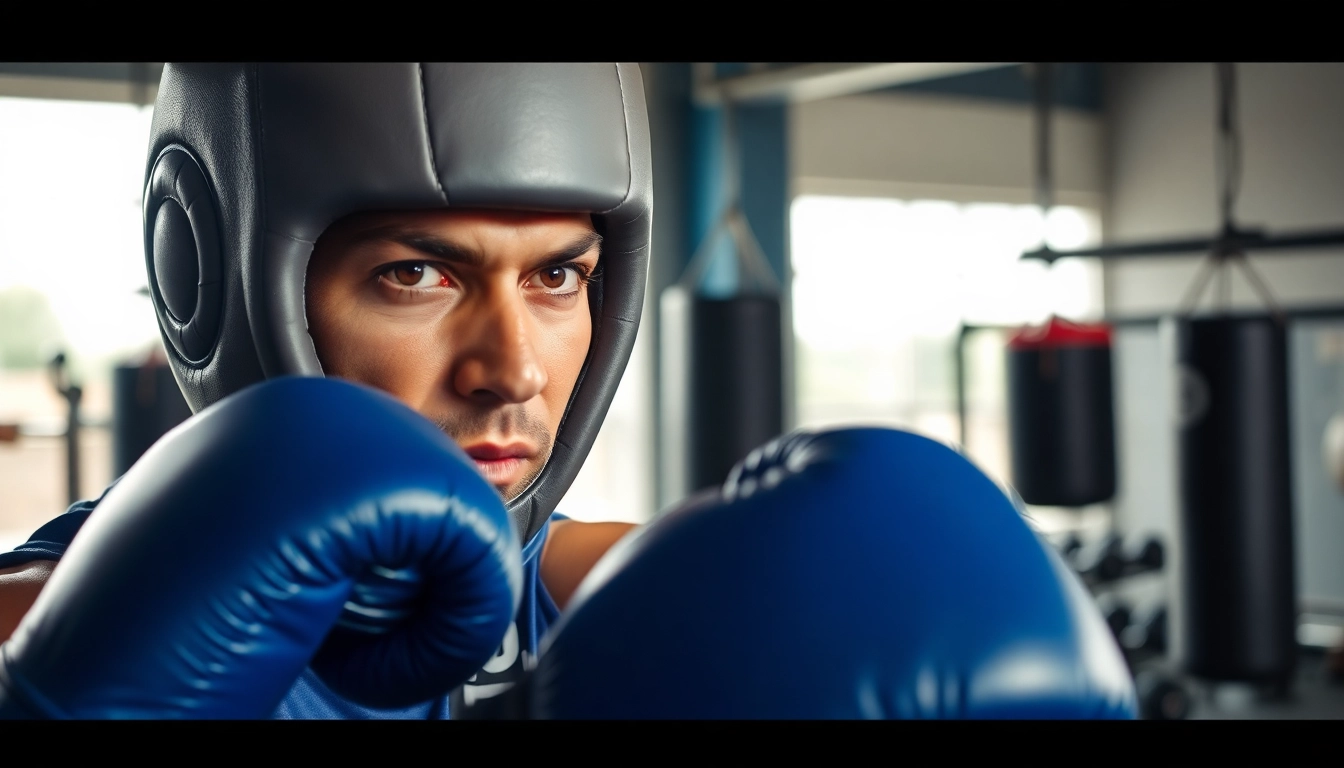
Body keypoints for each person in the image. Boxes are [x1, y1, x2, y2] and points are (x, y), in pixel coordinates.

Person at [0, 62, 652, 718]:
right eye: (416, 273)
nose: (517, 373)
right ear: (212, 279)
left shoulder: (607, 597)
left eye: (559, 275)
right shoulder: (35, 627)